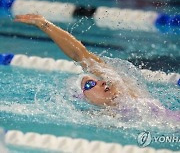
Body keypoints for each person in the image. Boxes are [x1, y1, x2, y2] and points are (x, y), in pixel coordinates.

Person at [15, 14, 180, 123]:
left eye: (97, 80)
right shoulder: (101, 117)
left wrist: (43, 24)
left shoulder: (126, 92)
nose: (100, 83)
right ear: (85, 99)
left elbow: (80, 55)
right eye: (88, 85)